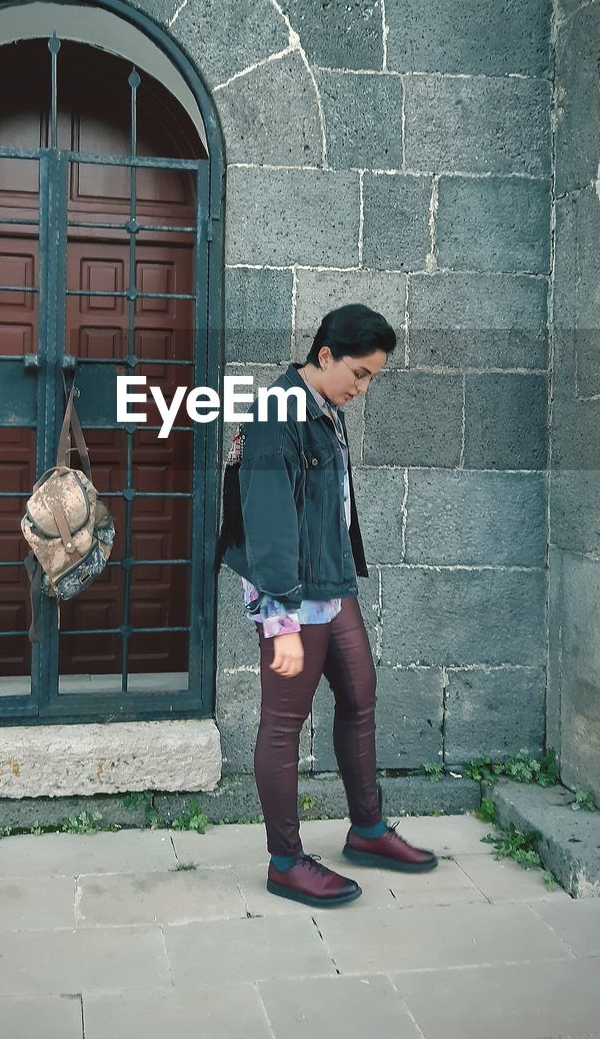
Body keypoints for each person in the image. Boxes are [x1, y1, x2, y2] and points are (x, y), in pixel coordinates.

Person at [216, 303, 437, 908]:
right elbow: (268, 523)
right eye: (360, 374)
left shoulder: (325, 410)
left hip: (332, 584)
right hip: (291, 595)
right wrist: (281, 621)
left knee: (361, 695)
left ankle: (366, 830)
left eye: (372, 377)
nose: (363, 387)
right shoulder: (276, 413)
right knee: (282, 726)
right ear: (325, 357)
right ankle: (285, 861)